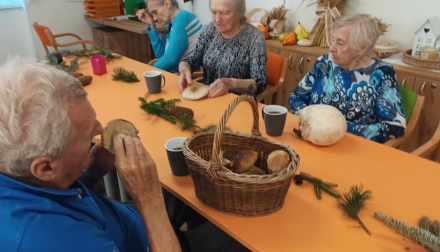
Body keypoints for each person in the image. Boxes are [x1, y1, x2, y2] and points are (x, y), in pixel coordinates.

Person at [0, 57, 181, 252]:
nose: (100, 130)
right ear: (45, 167)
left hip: (121, 219)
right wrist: (149, 197)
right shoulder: (56, 239)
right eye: (87, 136)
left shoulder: (28, 173)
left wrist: (92, 171)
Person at [289, 14, 406, 143]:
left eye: (340, 43)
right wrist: (308, 122)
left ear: (362, 47)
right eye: (333, 40)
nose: (331, 48)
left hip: (355, 148)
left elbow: (395, 128)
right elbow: (296, 97)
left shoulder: (382, 73)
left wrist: (338, 129)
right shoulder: (325, 62)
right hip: (311, 138)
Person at [178, 0, 267, 98]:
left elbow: (260, 83)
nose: (217, 19)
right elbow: (188, 60)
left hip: (239, 103)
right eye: (213, 12)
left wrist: (230, 83)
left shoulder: (254, 37)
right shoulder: (209, 30)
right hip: (209, 99)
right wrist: (184, 70)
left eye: (224, 13)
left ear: (239, 13)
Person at [137, 0, 202, 73]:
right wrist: (151, 25)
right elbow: (160, 54)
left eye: (155, 12)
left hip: (186, 77)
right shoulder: (171, 23)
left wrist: (147, 72)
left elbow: (169, 60)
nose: (154, 18)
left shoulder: (182, 18)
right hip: (174, 73)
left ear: (167, 4)